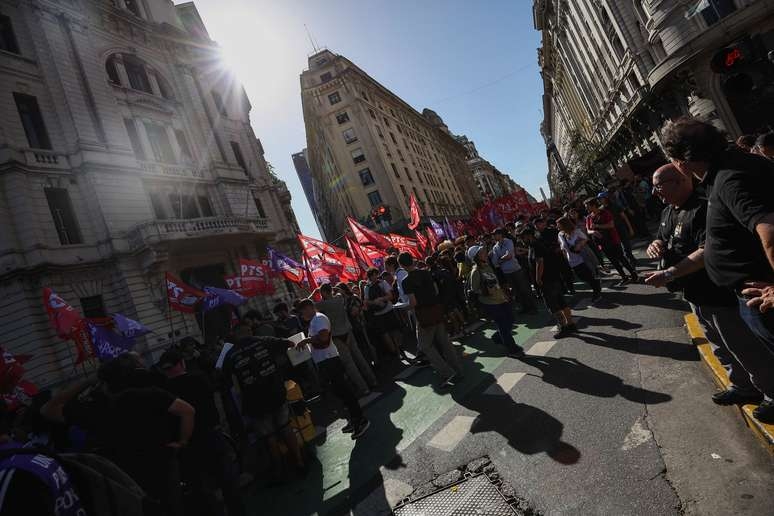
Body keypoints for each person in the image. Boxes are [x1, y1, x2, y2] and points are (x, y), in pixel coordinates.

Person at [658, 116, 774, 422]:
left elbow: (769, 229)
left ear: (681, 161)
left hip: (760, 294)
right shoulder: (727, 171)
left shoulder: (730, 178)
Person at [99, 353, 194, 516]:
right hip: (162, 457)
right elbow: (188, 411)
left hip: (130, 468)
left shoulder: (104, 407)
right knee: (173, 504)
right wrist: (182, 442)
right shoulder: (151, 392)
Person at [159, 349, 244, 516]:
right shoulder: (198, 379)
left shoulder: (164, 391)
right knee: (227, 481)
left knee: (201, 487)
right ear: (182, 363)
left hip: (188, 444)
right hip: (210, 435)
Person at [221, 326, 305, 471]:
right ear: (249, 332)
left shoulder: (230, 354)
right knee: (286, 427)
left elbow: (224, 378)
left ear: (235, 336)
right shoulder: (264, 341)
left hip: (254, 401)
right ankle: (299, 462)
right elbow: (289, 343)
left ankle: (280, 468)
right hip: (276, 394)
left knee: (269, 436)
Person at [296, 300, 370, 439]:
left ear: (309, 308)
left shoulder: (319, 318)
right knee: (339, 392)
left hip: (329, 360)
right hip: (324, 361)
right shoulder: (314, 321)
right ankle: (353, 418)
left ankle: (360, 420)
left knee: (344, 391)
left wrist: (307, 340)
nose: (301, 315)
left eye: (302, 311)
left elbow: (324, 337)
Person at [399, 252, 463, 388]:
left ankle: (447, 372)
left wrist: (403, 307)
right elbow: (436, 290)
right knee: (445, 342)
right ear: (412, 260)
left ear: (402, 265)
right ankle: (457, 369)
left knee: (425, 346)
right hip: (436, 309)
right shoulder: (426, 273)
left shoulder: (406, 281)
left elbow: (413, 302)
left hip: (423, 315)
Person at [313, 283, 377, 396]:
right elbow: (340, 292)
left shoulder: (323, 304)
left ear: (324, 293)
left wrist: (314, 293)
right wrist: (333, 288)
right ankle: (373, 380)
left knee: (349, 363)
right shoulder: (339, 299)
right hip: (348, 331)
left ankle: (364, 388)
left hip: (337, 336)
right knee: (359, 357)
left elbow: (309, 305)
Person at [468, 245, 525, 358]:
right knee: (503, 325)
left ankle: (497, 337)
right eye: (481, 252)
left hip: (500, 298)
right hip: (490, 303)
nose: (485, 253)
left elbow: (495, 282)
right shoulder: (475, 271)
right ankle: (512, 349)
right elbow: (474, 289)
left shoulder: (487, 266)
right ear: (476, 257)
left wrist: (503, 294)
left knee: (510, 319)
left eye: (484, 251)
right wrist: (486, 291)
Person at [520, 226, 577, 339]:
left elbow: (539, 262)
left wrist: (538, 278)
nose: (522, 240)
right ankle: (571, 324)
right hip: (553, 277)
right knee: (561, 302)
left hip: (546, 280)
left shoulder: (535, 246)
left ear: (528, 236)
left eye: (523, 237)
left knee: (553, 305)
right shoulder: (540, 243)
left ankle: (563, 327)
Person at [585, 197, 639, 286]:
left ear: (593, 205)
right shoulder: (589, 217)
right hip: (601, 243)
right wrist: (593, 232)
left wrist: (597, 226)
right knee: (613, 261)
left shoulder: (605, 212)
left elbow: (611, 225)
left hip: (612, 239)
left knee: (621, 258)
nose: (586, 208)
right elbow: (588, 230)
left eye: (587, 206)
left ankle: (634, 275)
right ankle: (624, 277)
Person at [490, 228, 537, 313]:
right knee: (516, 291)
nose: (494, 236)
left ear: (500, 234)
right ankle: (525, 308)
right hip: (507, 273)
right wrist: (503, 258)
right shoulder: (495, 247)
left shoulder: (508, 241)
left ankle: (533, 307)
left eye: (495, 234)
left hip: (516, 269)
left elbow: (509, 256)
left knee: (524, 289)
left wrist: (500, 259)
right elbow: (495, 262)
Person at [363, 268, 405, 360]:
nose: (375, 276)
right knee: (386, 334)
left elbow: (390, 296)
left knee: (393, 332)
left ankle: (399, 351)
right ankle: (396, 353)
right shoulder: (367, 287)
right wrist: (375, 302)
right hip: (379, 313)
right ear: (370, 276)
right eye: (374, 275)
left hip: (387, 311)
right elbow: (366, 302)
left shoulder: (382, 283)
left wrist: (381, 299)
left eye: (376, 274)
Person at [557, 216, 601, 302]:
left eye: (559, 225)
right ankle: (596, 284)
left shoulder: (576, 231)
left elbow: (585, 238)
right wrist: (565, 258)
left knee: (588, 275)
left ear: (564, 224)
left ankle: (596, 291)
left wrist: (579, 244)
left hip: (582, 258)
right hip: (571, 260)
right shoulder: (560, 234)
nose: (557, 226)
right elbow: (562, 247)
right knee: (582, 277)